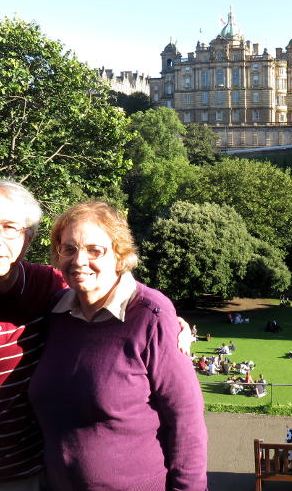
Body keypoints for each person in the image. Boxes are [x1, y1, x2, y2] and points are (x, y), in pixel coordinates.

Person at [0, 179, 191, 491]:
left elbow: (107, 292)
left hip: (26, 477)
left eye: (10, 227)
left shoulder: (52, 287)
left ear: (28, 236)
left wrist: (168, 319)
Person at [28, 200, 207, 490]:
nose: (79, 260)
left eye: (94, 250)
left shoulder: (150, 315)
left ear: (119, 255)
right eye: (68, 249)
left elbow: (186, 419)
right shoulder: (54, 312)